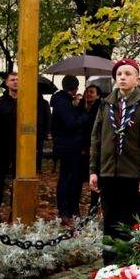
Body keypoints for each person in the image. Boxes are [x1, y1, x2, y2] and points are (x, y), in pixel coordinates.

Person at [90, 59, 140, 260]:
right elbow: (96, 139)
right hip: (109, 174)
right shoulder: (105, 104)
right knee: (110, 225)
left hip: (134, 176)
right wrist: (93, 170)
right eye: (119, 73)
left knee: (133, 226)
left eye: (128, 73)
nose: (122, 77)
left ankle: (133, 269)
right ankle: (110, 268)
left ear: (137, 78)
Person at [50, 75, 89, 226]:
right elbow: (71, 124)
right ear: (76, 88)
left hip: (69, 145)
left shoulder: (63, 102)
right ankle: (64, 211)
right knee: (66, 179)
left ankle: (70, 209)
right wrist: (85, 114)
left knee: (71, 179)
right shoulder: (63, 103)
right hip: (67, 146)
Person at [0, 72, 20, 220]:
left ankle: (15, 210)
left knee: (18, 179)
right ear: (6, 83)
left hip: (20, 149)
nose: (15, 82)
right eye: (12, 80)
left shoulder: (26, 102)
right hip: (1, 148)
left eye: (18, 79)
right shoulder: (0, 102)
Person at [80, 84, 103, 214]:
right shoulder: (81, 107)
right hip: (81, 148)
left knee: (95, 176)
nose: (88, 94)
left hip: (93, 147)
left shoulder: (99, 109)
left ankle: (94, 206)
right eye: (87, 92)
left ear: (98, 95)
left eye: (91, 92)